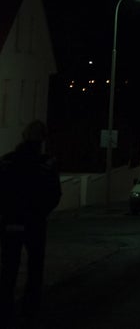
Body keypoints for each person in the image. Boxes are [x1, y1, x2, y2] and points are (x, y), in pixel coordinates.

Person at [0, 120, 62, 329]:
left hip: (11, 221)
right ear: (42, 140)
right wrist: (40, 213)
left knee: (9, 267)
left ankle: (6, 308)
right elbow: (55, 195)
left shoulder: (6, 162)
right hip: (34, 222)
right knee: (35, 267)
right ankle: (30, 308)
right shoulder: (47, 164)